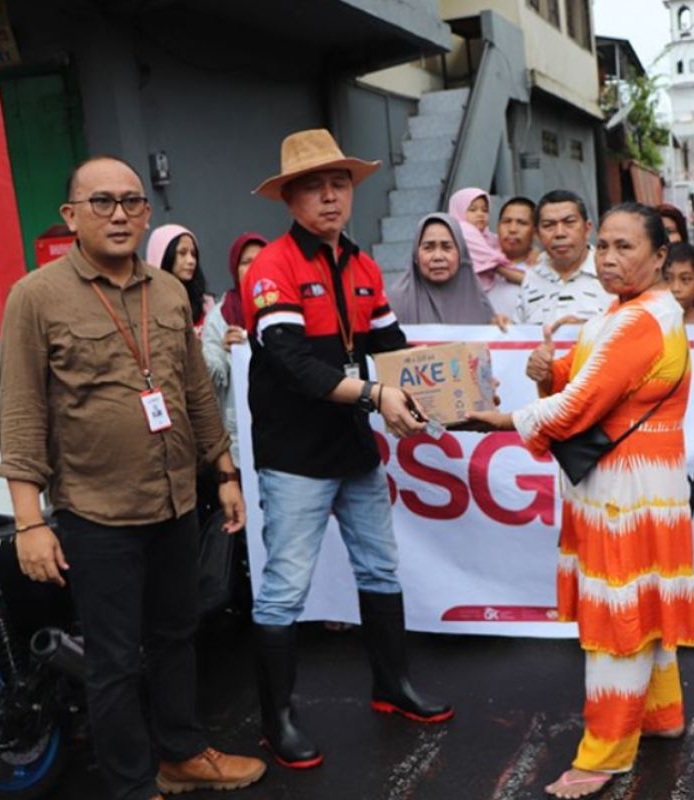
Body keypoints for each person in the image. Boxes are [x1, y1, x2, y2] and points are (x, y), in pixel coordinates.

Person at [0, 155, 266, 800]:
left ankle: (179, 754)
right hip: (96, 514)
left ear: (147, 213)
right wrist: (30, 519)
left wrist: (224, 473)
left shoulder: (170, 292)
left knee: (178, 636)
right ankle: (128, 785)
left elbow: (197, 393)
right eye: (101, 202)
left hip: (175, 501)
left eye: (131, 201)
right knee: (113, 663)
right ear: (71, 216)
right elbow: (23, 412)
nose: (118, 214)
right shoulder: (35, 297)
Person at [469, 203, 694, 798]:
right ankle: (661, 714)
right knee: (642, 601)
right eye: (606, 247)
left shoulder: (635, 319)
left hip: (626, 489)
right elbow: (583, 374)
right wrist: (550, 367)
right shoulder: (631, 312)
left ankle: (604, 754)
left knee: (617, 617)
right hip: (636, 486)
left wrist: (499, 419)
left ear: (658, 257)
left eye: (627, 248)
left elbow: (578, 405)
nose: (611, 258)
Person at [243, 129, 451, 770]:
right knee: (283, 592)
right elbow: (292, 363)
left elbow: (393, 348)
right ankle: (277, 721)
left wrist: (445, 388)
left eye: (339, 184)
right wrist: (376, 396)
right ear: (290, 199)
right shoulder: (271, 267)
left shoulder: (360, 264)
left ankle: (393, 687)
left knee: (380, 570)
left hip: (354, 446)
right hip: (296, 454)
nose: (330, 196)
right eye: (313, 186)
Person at [202, 232, 268, 467]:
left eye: (260, 261)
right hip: (239, 441)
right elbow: (208, 379)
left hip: (284, 433)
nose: (253, 268)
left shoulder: (285, 308)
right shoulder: (220, 317)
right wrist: (223, 350)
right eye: (246, 262)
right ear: (234, 268)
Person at [515, 189, 614, 326]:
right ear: (537, 234)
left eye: (569, 222)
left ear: (587, 229)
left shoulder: (611, 271)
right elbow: (521, 337)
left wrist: (587, 329)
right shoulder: (532, 277)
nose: (559, 233)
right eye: (549, 225)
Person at [389, 213, 495, 324]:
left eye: (447, 247)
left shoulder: (477, 299)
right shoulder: (397, 302)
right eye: (428, 248)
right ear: (416, 255)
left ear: (461, 253)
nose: (438, 257)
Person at [146, 224, 216, 334]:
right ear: (164, 256)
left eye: (193, 254)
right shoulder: (145, 305)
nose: (191, 261)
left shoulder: (206, 304)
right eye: (182, 253)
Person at [492, 196, 540, 317]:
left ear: (535, 232)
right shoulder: (478, 264)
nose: (512, 229)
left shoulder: (545, 267)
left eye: (522, 223)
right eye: (506, 222)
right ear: (497, 227)